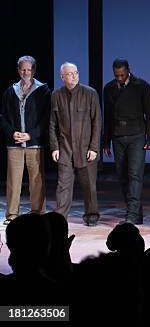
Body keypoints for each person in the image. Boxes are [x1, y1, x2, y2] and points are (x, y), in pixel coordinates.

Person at [103, 58, 150, 225]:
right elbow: (108, 117)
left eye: (122, 75)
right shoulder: (109, 88)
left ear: (128, 71)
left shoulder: (141, 86)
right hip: (118, 136)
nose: (119, 78)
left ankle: (131, 215)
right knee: (122, 175)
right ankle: (135, 213)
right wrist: (106, 141)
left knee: (135, 175)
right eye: (116, 75)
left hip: (137, 135)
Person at [0, 56, 51, 225]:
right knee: (13, 181)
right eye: (23, 69)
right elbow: (3, 117)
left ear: (34, 71)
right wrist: (12, 132)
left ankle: (37, 212)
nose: (26, 72)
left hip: (34, 143)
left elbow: (46, 118)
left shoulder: (43, 90)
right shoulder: (10, 91)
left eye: (29, 69)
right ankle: (12, 215)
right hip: (14, 144)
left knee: (36, 180)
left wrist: (31, 135)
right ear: (18, 70)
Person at [49, 62, 101, 225]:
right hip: (65, 148)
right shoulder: (57, 95)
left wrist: (94, 148)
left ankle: (91, 215)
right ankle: (59, 218)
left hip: (85, 148)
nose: (73, 76)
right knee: (63, 186)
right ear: (62, 77)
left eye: (76, 73)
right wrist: (55, 147)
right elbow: (52, 124)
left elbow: (97, 122)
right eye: (69, 74)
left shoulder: (90, 93)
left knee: (89, 186)